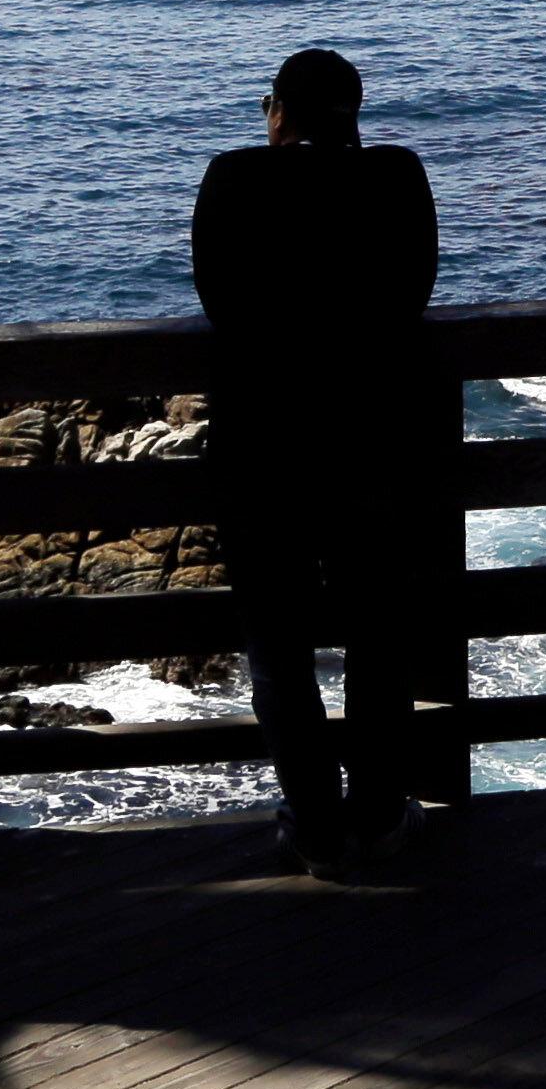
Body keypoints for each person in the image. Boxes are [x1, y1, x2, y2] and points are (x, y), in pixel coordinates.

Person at [189, 45, 446, 876]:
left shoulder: (232, 179)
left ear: (279, 113)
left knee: (278, 646)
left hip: (263, 451)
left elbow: (218, 302)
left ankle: (313, 820)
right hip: (373, 444)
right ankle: (377, 816)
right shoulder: (398, 177)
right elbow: (414, 296)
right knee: (378, 638)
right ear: (357, 111)